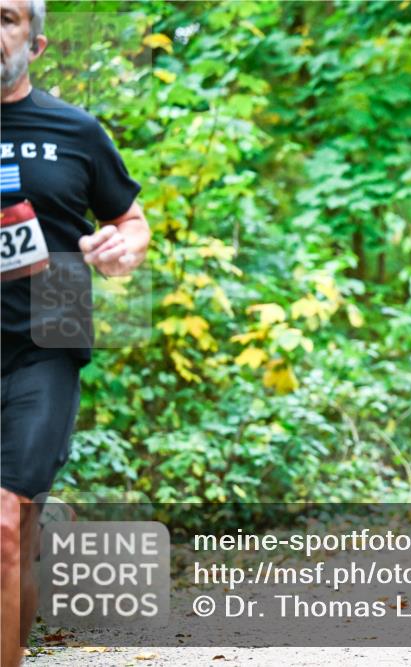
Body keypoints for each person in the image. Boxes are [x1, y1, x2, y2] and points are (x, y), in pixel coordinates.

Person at [1, 2, 150, 665]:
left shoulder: (75, 129)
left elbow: (132, 220)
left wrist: (122, 248)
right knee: (15, 534)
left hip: (49, 332)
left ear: (35, 43)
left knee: (5, 523)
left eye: (5, 16)